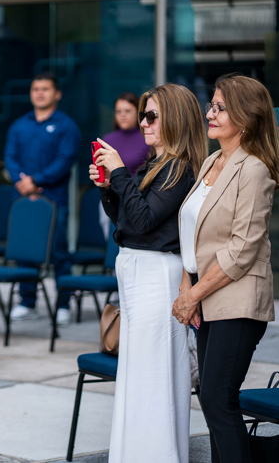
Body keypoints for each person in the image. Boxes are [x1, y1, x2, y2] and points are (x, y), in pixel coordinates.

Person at [90, 83, 207, 463]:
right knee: (139, 373)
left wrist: (119, 172)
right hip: (139, 271)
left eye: (152, 115)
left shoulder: (179, 168)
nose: (143, 122)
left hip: (157, 275)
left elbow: (142, 221)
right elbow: (126, 221)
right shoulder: (156, 164)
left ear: (175, 119)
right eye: (143, 115)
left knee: (153, 374)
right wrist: (108, 187)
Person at [172, 74, 278, 462]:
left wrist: (193, 295)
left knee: (218, 398)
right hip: (206, 296)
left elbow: (242, 249)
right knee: (212, 398)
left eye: (220, 107)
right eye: (211, 105)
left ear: (246, 117)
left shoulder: (255, 170)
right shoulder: (211, 161)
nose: (209, 113)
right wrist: (187, 288)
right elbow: (192, 235)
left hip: (238, 299)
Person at [4, 72, 81, 324]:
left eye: (45, 89)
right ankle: (27, 302)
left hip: (54, 200)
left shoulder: (66, 126)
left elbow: (64, 161)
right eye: (35, 88)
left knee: (58, 253)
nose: (39, 93)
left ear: (57, 94)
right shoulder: (19, 125)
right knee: (25, 252)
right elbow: (10, 158)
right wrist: (23, 182)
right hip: (24, 201)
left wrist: (35, 181)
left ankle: (63, 304)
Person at [98, 92, 151, 238]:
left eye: (127, 111)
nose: (122, 115)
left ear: (138, 113)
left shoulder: (148, 138)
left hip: (137, 198)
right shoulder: (107, 140)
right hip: (111, 197)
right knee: (113, 242)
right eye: (118, 111)